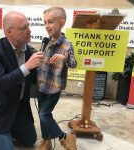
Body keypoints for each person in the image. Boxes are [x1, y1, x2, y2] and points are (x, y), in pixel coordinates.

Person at [0, 11, 45, 150]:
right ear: (9, 32)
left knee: (29, 140)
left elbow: (33, 81)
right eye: (23, 28)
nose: (29, 31)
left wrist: (47, 69)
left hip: (18, 107)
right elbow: (0, 83)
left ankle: (6, 129)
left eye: (28, 26)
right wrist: (27, 66)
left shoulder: (30, 51)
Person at [37, 7, 77, 150]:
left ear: (61, 23)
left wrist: (65, 57)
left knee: (43, 114)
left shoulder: (67, 44)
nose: (47, 25)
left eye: (51, 22)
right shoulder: (46, 41)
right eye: (45, 22)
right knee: (42, 114)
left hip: (54, 87)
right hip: (41, 84)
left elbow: (74, 64)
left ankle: (64, 137)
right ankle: (46, 140)